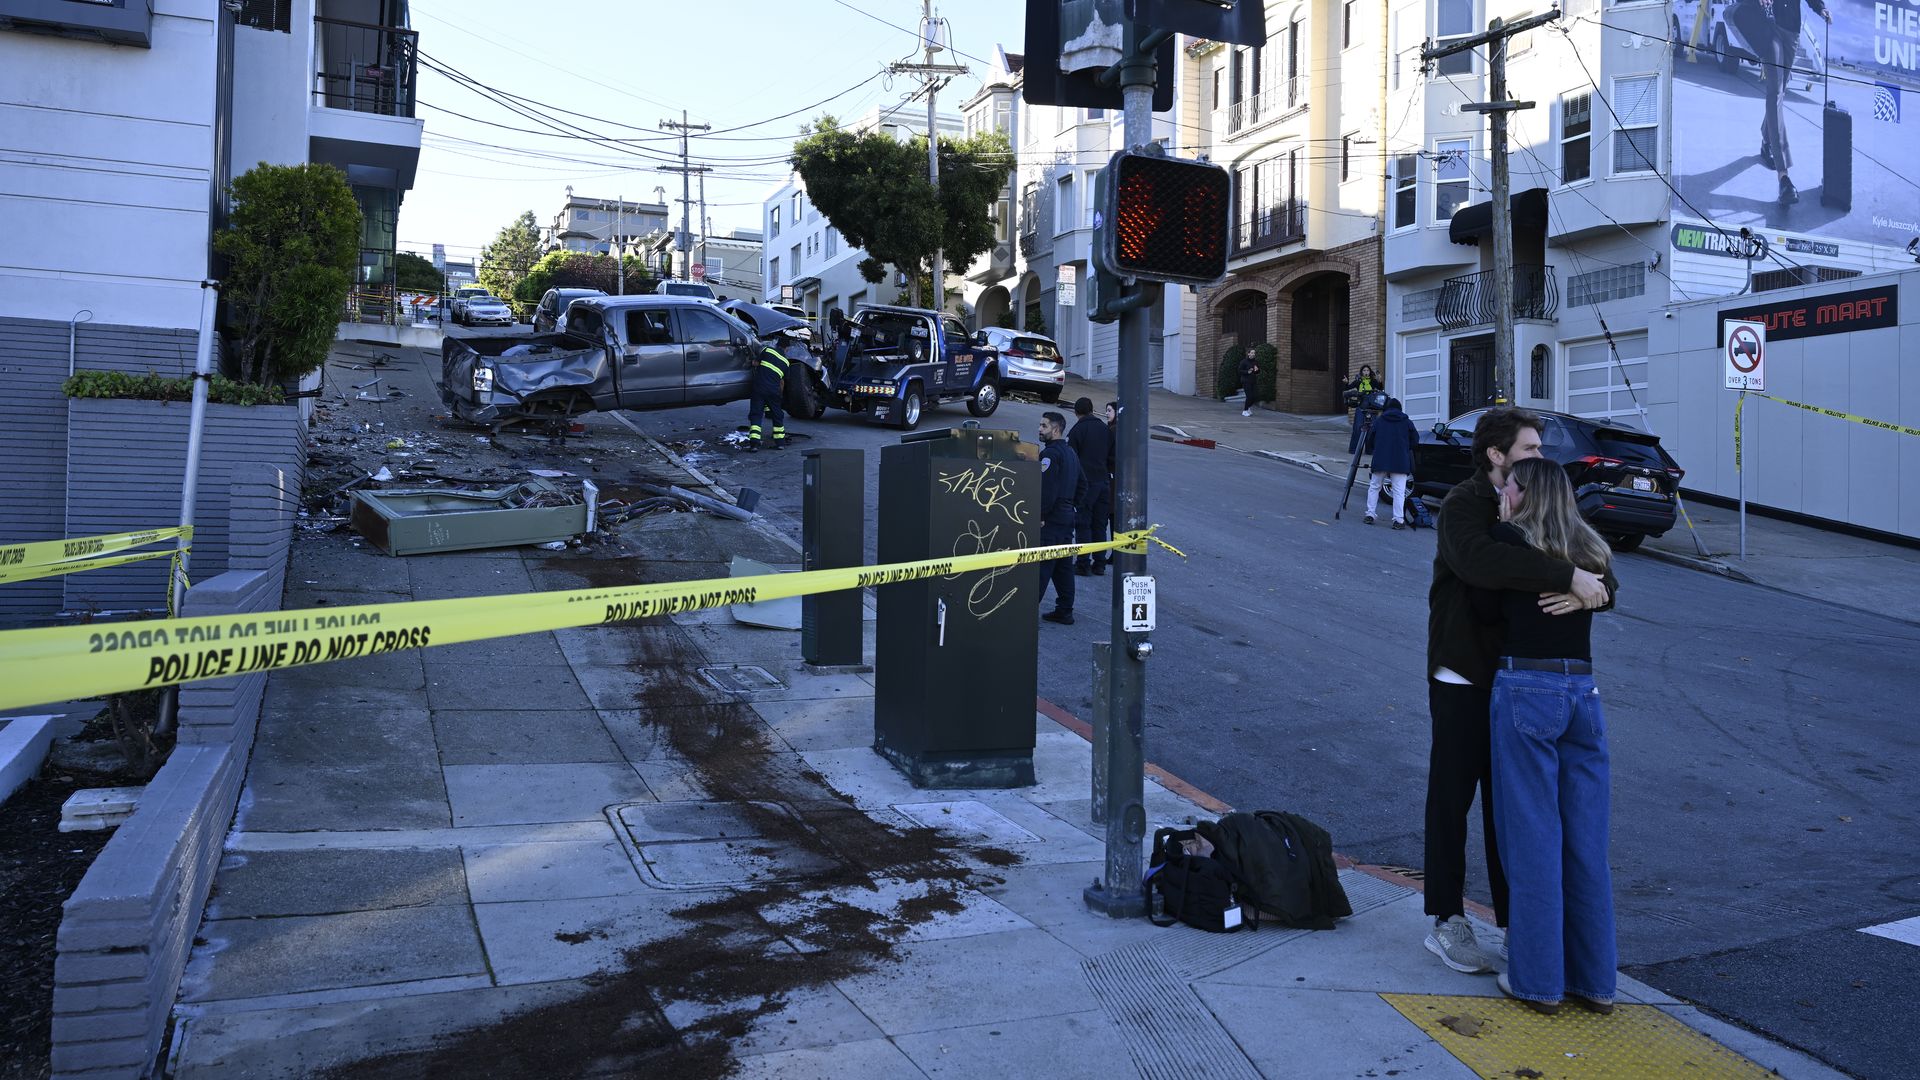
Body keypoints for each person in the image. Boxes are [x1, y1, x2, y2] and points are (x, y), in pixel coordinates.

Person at [1423, 407, 1612, 974]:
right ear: (1496, 455)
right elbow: (1480, 561)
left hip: (1522, 682)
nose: (1538, 456)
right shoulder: (1466, 505)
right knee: (1453, 797)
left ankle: (1516, 925)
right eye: (1529, 448)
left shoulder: (1541, 498)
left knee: (1514, 808)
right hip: (1464, 670)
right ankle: (1447, 920)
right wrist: (1563, 578)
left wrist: (1588, 590)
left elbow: (1595, 562)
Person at [1480, 457, 1620, 1015]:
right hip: (1582, 693)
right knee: (1585, 840)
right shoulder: (1588, 550)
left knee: (1533, 835)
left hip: (1526, 687)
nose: (1502, 492)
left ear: (1526, 494)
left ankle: (1537, 980)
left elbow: (1483, 592)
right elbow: (1612, 585)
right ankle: (1595, 983)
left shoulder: (1507, 541)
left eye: (1508, 486)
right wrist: (1590, 590)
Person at [1740, 0, 1831, 205]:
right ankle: (1784, 177)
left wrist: (1820, 8)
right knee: (1775, 93)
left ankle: (1766, 141)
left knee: (1780, 92)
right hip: (1769, 26)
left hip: (1792, 32)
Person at [1035, 411, 1084, 625]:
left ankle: (1024, 612)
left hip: (1051, 520)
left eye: (1044, 426)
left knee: (1041, 568)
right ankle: (1065, 610)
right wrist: (1071, 507)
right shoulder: (1071, 453)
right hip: (1066, 518)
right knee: (1063, 566)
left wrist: (1041, 515)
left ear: (1055, 430)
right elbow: (1083, 485)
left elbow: (1047, 490)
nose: (1040, 429)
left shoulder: (1050, 455)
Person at [1068, 398, 1113, 576]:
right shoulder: (1105, 429)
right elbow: (1112, 455)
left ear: (1076, 412)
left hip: (1086, 484)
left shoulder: (1078, 430)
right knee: (1100, 524)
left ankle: (1083, 563)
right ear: (1092, 409)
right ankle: (1099, 563)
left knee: (1083, 524)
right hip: (1103, 482)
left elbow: (1071, 459)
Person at [1365, 397, 1418, 528]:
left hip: (1381, 459)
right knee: (1399, 491)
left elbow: (1370, 440)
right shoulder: (1407, 422)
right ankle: (1398, 520)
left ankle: (1370, 514)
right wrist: (1405, 448)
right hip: (1400, 461)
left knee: (1374, 487)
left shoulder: (1379, 421)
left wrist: (1376, 449)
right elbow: (1415, 440)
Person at [745, 331, 791, 451]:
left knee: (756, 414)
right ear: (787, 349)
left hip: (759, 388)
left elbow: (755, 363)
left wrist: (752, 363)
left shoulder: (768, 351)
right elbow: (782, 382)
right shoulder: (786, 363)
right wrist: (780, 395)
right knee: (777, 415)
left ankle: (754, 444)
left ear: (777, 345)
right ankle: (780, 443)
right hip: (774, 391)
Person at [1346, 365, 1381, 452]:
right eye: (1364, 370)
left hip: (1372, 407)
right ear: (1362, 372)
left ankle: (1370, 450)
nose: (1366, 372)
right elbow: (1348, 388)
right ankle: (1353, 449)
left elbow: (1380, 388)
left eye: (1367, 370)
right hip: (1361, 406)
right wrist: (1346, 382)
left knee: (1371, 428)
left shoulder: (1373, 381)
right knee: (1357, 427)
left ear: (1370, 372)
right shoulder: (1358, 381)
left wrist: (1380, 381)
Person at [1238, 350, 1262, 416]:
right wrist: (1247, 372)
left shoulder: (1255, 362)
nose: (1253, 354)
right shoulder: (1244, 361)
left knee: (1255, 396)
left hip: (1253, 381)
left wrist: (1257, 370)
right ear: (1248, 354)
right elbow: (1239, 370)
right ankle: (1245, 411)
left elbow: (1257, 372)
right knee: (1249, 396)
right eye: (1252, 353)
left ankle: (1248, 407)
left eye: (1254, 353)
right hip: (1245, 381)